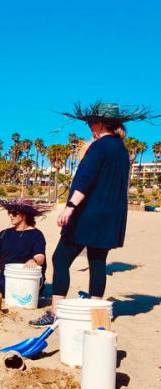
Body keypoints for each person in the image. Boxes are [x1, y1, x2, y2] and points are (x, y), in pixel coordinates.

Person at [31, 102, 156, 327]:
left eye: (91, 123)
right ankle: (96, 316)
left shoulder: (98, 147)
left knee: (60, 259)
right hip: (111, 216)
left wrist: (70, 207)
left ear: (100, 124)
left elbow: (85, 180)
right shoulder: (121, 149)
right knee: (98, 262)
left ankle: (55, 312)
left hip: (87, 215)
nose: (89, 127)